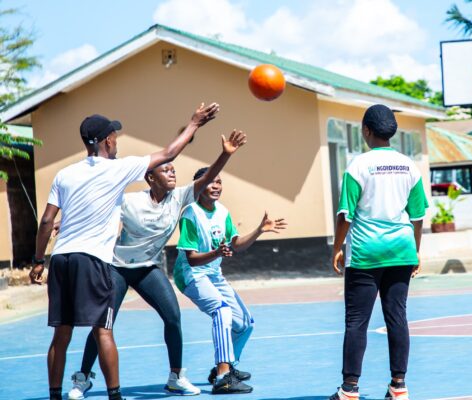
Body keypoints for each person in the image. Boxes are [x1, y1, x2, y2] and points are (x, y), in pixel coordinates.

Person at [29, 103, 219, 400]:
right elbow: (169, 152)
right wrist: (194, 123)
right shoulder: (118, 169)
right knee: (103, 329)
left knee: (61, 334)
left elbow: (46, 221)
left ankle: (55, 394)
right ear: (107, 141)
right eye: (115, 136)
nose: (117, 140)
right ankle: (112, 394)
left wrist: (39, 260)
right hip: (95, 260)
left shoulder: (64, 174)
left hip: (62, 258)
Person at [66, 130, 247, 399]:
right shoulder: (129, 202)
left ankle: (176, 377)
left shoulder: (180, 197)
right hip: (117, 268)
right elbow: (95, 210)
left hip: (147, 268)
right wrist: (63, 221)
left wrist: (225, 154)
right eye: (166, 170)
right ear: (150, 177)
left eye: (173, 170)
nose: (172, 173)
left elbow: (207, 177)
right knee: (103, 323)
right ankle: (82, 378)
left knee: (173, 316)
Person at [329, 104, 428, 400]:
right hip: (402, 251)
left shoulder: (357, 166)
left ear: (366, 130)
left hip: (366, 253)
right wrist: (416, 251)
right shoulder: (409, 166)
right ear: (392, 131)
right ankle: (399, 386)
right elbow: (418, 216)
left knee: (356, 321)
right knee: (397, 317)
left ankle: (350, 388)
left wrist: (337, 248)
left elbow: (345, 215)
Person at [173, 167, 287, 394]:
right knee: (222, 311)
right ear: (199, 186)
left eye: (219, 182)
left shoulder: (222, 212)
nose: (216, 186)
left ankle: (225, 367)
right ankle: (223, 378)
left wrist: (259, 230)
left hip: (213, 274)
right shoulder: (190, 214)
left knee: (245, 323)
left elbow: (236, 245)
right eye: (210, 182)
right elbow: (192, 259)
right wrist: (217, 253)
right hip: (191, 275)